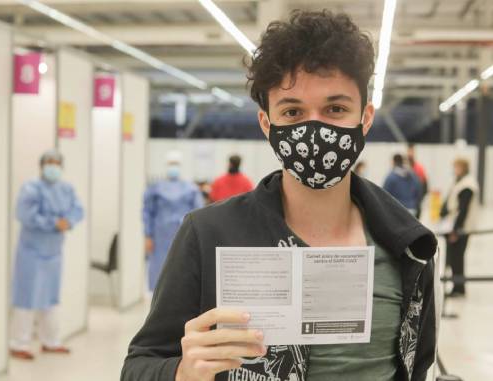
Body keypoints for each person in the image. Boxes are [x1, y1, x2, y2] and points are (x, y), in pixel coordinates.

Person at [122, 10, 437, 381]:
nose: (314, 128)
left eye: (335, 109)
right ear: (267, 124)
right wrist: (181, 372)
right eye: (293, 111)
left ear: (364, 119)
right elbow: (138, 366)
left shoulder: (408, 246)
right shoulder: (208, 234)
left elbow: (418, 366)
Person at [9, 149, 84, 359]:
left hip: (54, 253)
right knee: (26, 297)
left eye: (56, 162)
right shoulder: (31, 188)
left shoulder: (66, 189)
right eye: (49, 162)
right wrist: (53, 223)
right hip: (31, 252)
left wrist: (67, 221)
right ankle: (18, 343)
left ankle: (50, 341)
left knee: (50, 298)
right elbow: (24, 214)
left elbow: (78, 210)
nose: (53, 166)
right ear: (42, 165)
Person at [143, 151, 204, 292]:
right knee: (159, 268)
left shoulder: (190, 188)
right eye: (171, 164)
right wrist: (148, 235)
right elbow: (147, 212)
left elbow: (199, 214)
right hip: (160, 236)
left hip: (184, 234)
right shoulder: (156, 188)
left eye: (175, 164)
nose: (173, 167)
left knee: (182, 267)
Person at [440, 158, 478, 297]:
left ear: (463, 168)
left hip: (460, 228)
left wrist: (455, 230)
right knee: (454, 257)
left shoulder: (467, 185)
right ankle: (457, 286)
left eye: (457, 167)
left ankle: (459, 288)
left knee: (457, 258)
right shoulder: (460, 181)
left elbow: (463, 210)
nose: (454, 170)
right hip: (453, 225)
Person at [407, 144, 429, 218]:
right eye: (409, 152)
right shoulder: (405, 167)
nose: (410, 154)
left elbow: (425, 183)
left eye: (411, 152)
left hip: (416, 198)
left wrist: (420, 198)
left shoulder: (418, 167)